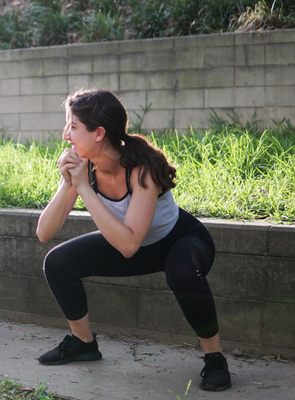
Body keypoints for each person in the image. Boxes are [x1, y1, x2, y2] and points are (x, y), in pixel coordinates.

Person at [35, 89, 231, 391]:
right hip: (131, 242)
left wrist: (84, 190)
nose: (65, 136)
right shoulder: (84, 165)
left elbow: (128, 246)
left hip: (179, 241)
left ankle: (214, 357)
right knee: (57, 262)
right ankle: (83, 343)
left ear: (99, 133)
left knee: (182, 272)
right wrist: (67, 184)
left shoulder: (143, 168)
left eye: (73, 126)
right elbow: (44, 233)